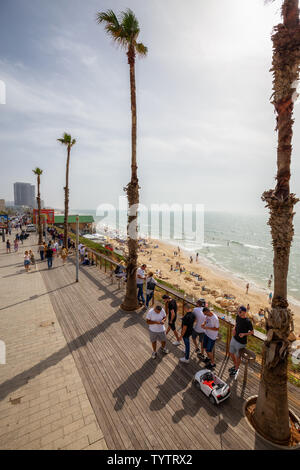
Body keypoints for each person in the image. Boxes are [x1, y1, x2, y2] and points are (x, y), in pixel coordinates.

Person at [228, 306, 254, 377]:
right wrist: (234, 328)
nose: (238, 313)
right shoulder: (238, 317)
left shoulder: (248, 321)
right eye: (238, 311)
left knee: (238, 356)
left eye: (240, 312)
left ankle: (236, 369)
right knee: (231, 353)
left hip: (241, 342)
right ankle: (235, 365)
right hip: (234, 338)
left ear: (244, 312)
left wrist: (244, 334)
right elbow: (236, 324)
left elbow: (252, 332)